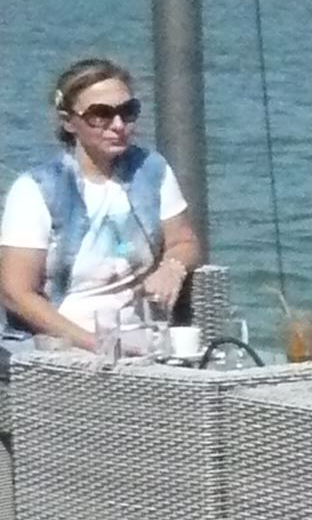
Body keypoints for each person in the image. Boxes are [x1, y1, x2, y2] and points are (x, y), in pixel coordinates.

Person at [2, 58, 203, 349]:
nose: (118, 125)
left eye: (127, 112)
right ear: (69, 121)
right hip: (60, 347)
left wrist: (172, 267)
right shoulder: (37, 190)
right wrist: (97, 344)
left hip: (143, 336)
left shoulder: (151, 170)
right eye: (100, 115)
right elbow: (15, 292)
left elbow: (184, 241)